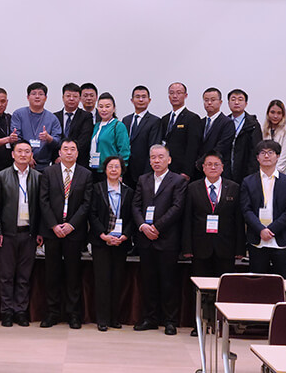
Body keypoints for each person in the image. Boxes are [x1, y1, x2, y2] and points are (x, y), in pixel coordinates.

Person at [132, 144, 187, 336]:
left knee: (168, 282)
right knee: (148, 281)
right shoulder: (143, 179)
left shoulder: (178, 181)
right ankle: (150, 318)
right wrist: (143, 226)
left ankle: (170, 321)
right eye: (153, 157)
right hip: (146, 239)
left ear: (169, 160)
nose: (156, 160)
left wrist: (157, 227)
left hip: (167, 239)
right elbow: (136, 206)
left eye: (160, 157)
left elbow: (177, 207)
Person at [38, 139, 92, 329]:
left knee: (73, 274)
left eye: (72, 149)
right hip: (52, 231)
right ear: (59, 153)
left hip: (74, 232)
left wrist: (71, 225)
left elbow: (86, 204)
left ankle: (73, 314)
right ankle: (52, 313)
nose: (69, 152)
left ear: (77, 153)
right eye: (65, 149)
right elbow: (43, 201)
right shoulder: (48, 172)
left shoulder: (86, 174)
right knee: (52, 274)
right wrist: (54, 225)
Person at [0, 141, 43, 327]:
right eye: (19, 151)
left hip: (29, 234)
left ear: (31, 155)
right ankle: (6, 311)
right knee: (6, 276)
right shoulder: (2, 176)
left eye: (27, 151)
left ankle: (20, 311)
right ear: (12, 154)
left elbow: (41, 208)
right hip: (7, 234)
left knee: (24, 276)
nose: (23, 155)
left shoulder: (38, 177)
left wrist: (39, 232)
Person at [240, 140, 286, 279]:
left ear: (277, 156)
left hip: (281, 240)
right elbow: (246, 210)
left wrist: (271, 230)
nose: (266, 156)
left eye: (270, 152)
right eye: (262, 153)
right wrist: (261, 229)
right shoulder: (248, 181)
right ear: (257, 157)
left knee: (283, 282)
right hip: (257, 240)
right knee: (257, 283)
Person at [89, 156, 134, 332]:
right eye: (110, 167)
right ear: (105, 169)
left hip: (120, 243)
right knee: (102, 281)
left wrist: (125, 235)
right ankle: (102, 319)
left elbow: (131, 218)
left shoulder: (128, 192)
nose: (114, 170)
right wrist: (103, 235)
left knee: (117, 280)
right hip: (101, 242)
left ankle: (114, 318)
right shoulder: (97, 188)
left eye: (117, 167)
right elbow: (92, 214)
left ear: (122, 170)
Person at [183, 150, 245, 277]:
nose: (213, 167)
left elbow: (238, 220)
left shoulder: (234, 187)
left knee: (224, 285)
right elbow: (187, 219)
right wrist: (187, 248)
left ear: (222, 167)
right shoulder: (192, 188)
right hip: (199, 246)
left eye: (216, 164)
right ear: (203, 167)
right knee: (201, 284)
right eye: (209, 164)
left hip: (226, 247)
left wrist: (240, 249)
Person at [11, 82, 62, 172]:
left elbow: (58, 142)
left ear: (45, 98)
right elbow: (16, 139)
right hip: (22, 164)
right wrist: (28, 156)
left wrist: (48, 138)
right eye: (34, 94)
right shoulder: (19, 114)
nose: (37, 97)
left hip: (45, 166)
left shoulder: (52, 118)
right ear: (28, 97)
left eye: (41, 94)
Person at [121, 85, 161, 190]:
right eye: (137, 97)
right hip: (126, 170)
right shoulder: (126, 120)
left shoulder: (155, 121)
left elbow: (153, 148)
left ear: (149, 100)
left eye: (144, 97)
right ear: (132, 100)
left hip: (144, 171)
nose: (141, 100)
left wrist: (147, 174)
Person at [160, 82, 202, 181]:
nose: (175, 96)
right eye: (172, 93)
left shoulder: (192, 118)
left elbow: (193, 147)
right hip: (165, 168)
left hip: (181, 170)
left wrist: (187, 171)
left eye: (179, 93)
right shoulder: (164, 119)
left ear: (185, 95)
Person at [89, 93, 131, 182]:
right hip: (95, 170)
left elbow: (124, 151)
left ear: (114, 108)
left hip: (111, 171)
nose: (104, 110)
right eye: (101, 106)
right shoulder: (96, 126)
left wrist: (120, 173)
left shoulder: (118, 126)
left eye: (107, 106)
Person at [54, 83, 93, 168]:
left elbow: (84, 141)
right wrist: (59, 156)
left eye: (75, 96)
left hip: (79, 163)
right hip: (57, 162)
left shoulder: (86, 116)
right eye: (68, 96)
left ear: (80, 99)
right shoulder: (55, 117)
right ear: (63, 97)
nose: (71, 99)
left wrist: (69, 156)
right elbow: (54, 140)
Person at [198, 87, 235, 179]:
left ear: (220, 102)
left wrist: (203, 161)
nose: (209, 103)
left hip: (218, 170)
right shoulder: (200, 122)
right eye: (206, 100)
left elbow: (222, 147)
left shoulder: (227, 122)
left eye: (213, 100)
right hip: (200, 171)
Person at [227, 89, 261, 184]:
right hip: (226, 171)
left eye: (240, 99)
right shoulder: (225, 122)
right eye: (233, 99)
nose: (236, 102)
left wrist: (252, 175)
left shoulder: (253, 124)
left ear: (246, 104)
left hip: (245, 172)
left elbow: (256, 150)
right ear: (228, 103)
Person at [262, 99, 286, 176]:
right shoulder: (264, 130)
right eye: (272, 112)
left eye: (279, 113)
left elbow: (285, 155)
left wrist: (274, 172)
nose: (275, 116)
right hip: (265, 172)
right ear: (268, 113)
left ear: (283, 115)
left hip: (281, 172)